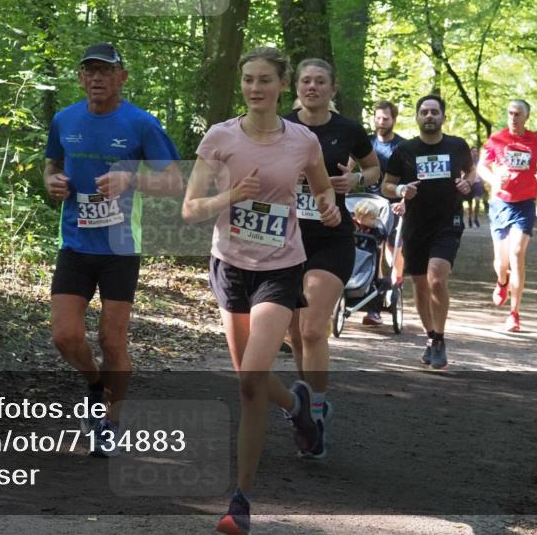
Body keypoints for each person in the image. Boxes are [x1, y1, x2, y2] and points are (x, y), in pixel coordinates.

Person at [182, 47, 340, 535]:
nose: (255, 88)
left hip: (280, 268)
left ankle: (241, 501)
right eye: (248, 79)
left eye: (265, 80)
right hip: (230, 266)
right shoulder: (220, 137)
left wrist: (329, 206)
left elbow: (320, 186)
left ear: (282, 86)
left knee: (252, 378)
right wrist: (231, 195)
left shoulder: (303, 140)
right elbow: (190, 209)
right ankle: (298, 408)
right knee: (247, 379)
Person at [44, 43, 181, 456]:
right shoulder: (64, 119)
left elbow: (175, 181)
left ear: (122, 76)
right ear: (80, 77)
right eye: (89, 71)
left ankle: (110, 421)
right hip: (75, 243)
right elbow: (51, 165)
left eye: (106, 70)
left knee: (112, 339)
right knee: (65, 337)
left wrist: (130, 181)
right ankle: (93, 385)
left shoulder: (141, 124)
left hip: (121, 247)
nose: (97, 78)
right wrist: (50, 182)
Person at [284, 58, 380, 456]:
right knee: (292, 334)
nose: (312, 87)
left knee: (311, 330)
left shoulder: (347, 130)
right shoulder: (282, 126)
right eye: (306, 81)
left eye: (320, 81)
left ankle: (318, 409)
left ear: (332, 89)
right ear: (297, 88)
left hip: (330, 237)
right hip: (285, 239)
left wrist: (353, 180)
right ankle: (306, 405)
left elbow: (374, 170)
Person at [381, 95, 475, 370]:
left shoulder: (457, 145)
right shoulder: (405, 150)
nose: (430, 116)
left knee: (436, 279)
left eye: (435, 112)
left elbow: (471, 172)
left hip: (448, 222)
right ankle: (431, 337)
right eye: (424, 112)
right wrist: (400, 191)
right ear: (418, 117)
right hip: (415, 223)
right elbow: (387, 185)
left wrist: (467, 183)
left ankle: (440, 338)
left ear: (443, 117)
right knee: (420, 285)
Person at [476, 99, 537, 332]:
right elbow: (481, 166)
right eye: (510, 113)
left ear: (526, 117)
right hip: (501, 204)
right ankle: (502, 281)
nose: (513, 117)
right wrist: (494, 180)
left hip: (525, 205)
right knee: (502, 262)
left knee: (517, 253)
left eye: (518, 114)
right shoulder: (496, 139)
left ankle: (515, 313)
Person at [365, 99, 407, 324]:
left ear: (394, 120)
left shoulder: (402, 146)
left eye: (386, 118)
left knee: (393, 249)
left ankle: (395, 282)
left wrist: (403, 201)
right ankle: (372, 300)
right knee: (373, 249)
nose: (381, 122)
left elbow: (409, 178)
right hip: (369, 205)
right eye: (378, 118)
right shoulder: (367, 143)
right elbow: (350, 165)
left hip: (393, 205)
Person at [464, 147, 485, 227]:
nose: (475, 153)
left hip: (477, 184)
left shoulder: (480, 161)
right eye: (473, 151)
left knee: (477, 201)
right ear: (470, 152)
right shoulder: (466, 161)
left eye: (476, 151)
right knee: (469, 204)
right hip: (470, 183)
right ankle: (469, 219)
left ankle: (475, 218)